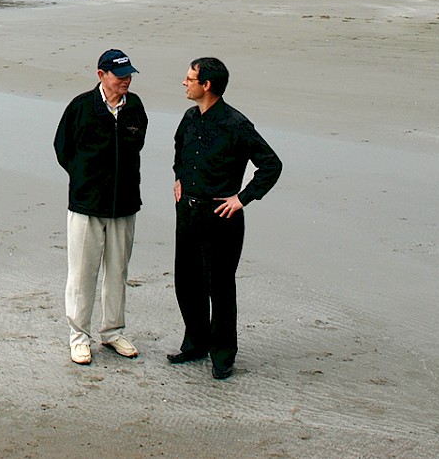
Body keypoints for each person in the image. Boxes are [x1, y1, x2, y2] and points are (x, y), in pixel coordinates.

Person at [168, 57, 282, 379]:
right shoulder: (190, 118)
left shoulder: (236, 125)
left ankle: (222, 355)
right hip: (187, 213)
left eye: (190, 79)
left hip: (221, 217)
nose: (184, 83)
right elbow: (180, 150)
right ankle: (195, 344)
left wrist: (242, 198)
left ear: (207, 86)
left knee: (219, 288)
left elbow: (271, 165)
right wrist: (178, 177)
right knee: (186, 283)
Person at [53, 48, 148, 364]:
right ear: (101, 76)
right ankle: (79, 337)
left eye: (128, 76)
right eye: (120, 76)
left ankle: (113, 332)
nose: (126, 81)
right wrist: (84, 180)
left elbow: (137, 145)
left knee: (117, 271)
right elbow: (62, 148)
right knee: (82, 274)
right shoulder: (82, 107)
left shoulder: (134, 108)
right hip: (86, 206)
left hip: (124, 204)